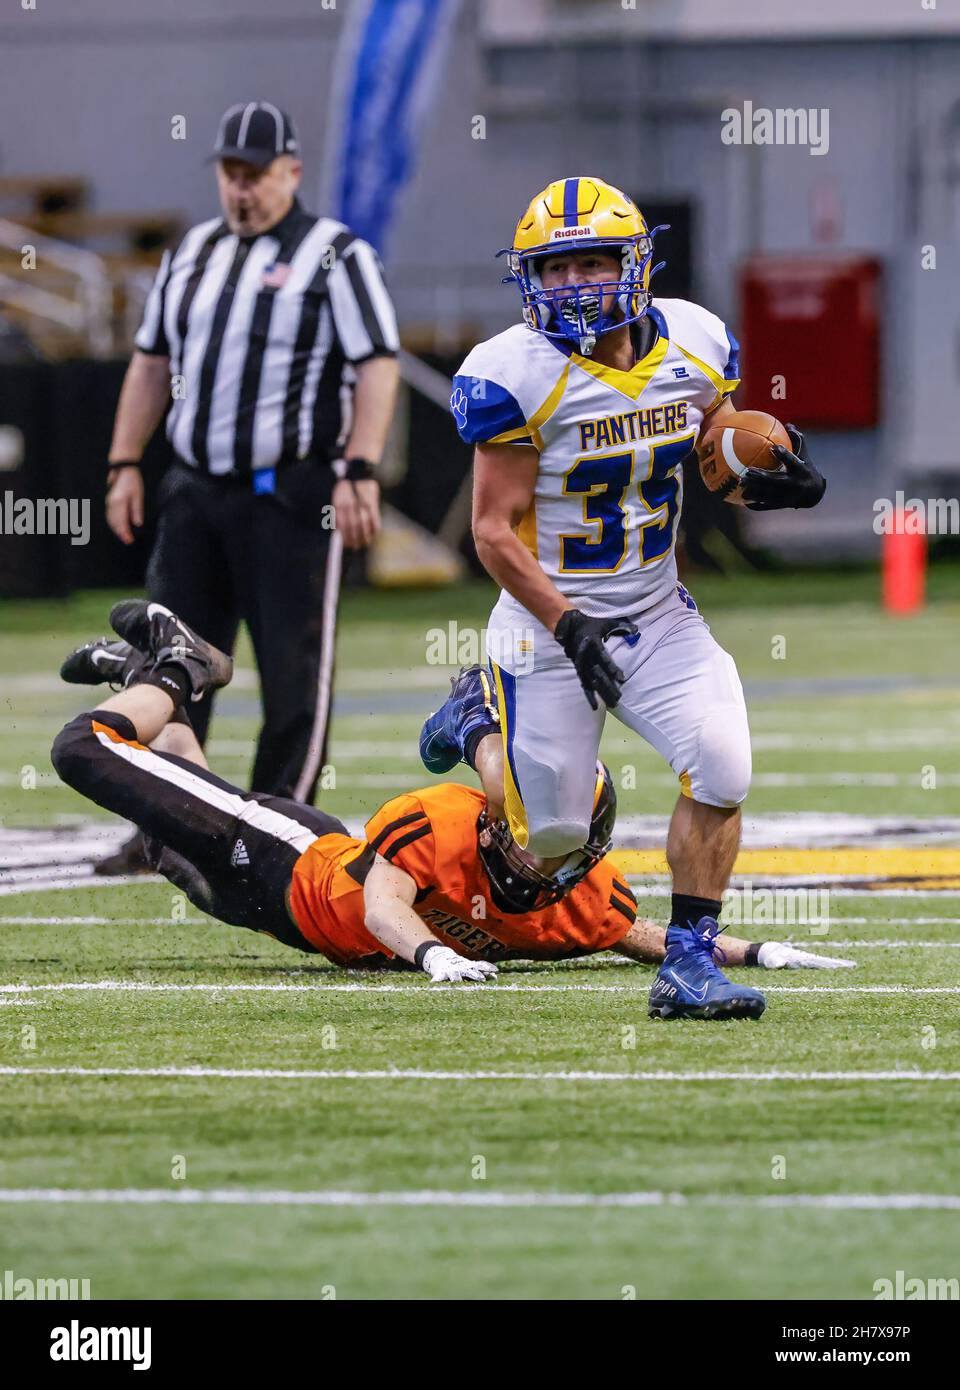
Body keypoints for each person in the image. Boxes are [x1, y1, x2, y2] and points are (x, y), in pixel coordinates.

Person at [53, 609, 851, 1011]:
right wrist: (429, 956)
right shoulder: (444, 819)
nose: (530, 858)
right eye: (525, 835)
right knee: (82, 752)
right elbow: (382, 901)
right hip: (285, 858)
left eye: (551, 849)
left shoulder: (584, 900)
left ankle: (139, 670)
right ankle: (178, 666)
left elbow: (633, 935)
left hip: (266, 909)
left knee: (164, 829)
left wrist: (754, 952)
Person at [449, 176, 826, 1018]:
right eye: (556, 268)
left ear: (636, 264)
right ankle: (475, 719)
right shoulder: (514, 373)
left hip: (655, 615)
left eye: (593, 262)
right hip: (545, 625)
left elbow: (712, 455)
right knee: (548, 843)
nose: (576, 283)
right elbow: (492, 531)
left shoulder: (693, 341)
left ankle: (688, 963)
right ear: (528, 281)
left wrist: (771, 480)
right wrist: (565, 620)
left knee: (724, 762)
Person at [100, 101, 399, 874]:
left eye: (255, 175)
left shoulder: (334, 253)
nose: (241, 190)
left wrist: (360, 466)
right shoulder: (192, 252)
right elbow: (151, 362)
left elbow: (377, 362)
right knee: (165, 663)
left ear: (290, 173)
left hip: (289, 494)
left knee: (294, 675)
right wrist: (125, 461)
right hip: (196, 492)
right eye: (231, 174)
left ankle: (271, 837)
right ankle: (164, 828)